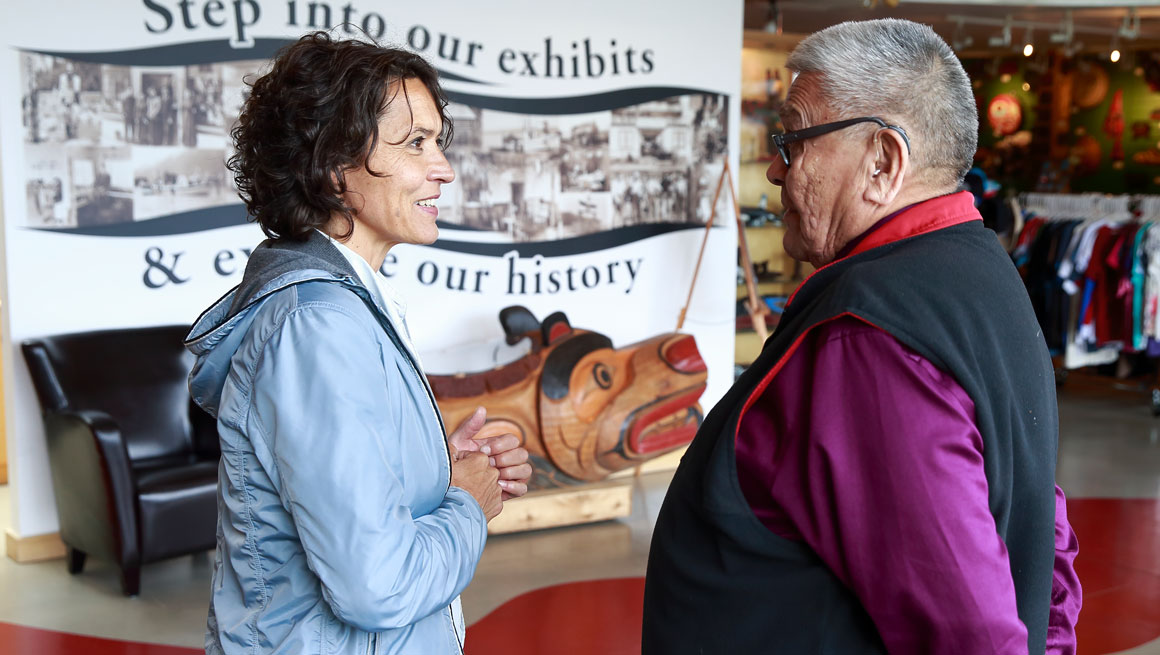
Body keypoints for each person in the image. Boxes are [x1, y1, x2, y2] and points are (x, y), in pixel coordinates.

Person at [643, 19, 1081, 655]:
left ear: (883, 161)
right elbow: (1049, 531)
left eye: (791, 141)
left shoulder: (869, 338)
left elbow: (969, 633)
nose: (772, 169)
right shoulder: (983, 273)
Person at [185, 32, 531, 655]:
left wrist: (432, 469)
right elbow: (379, 588)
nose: (443, 168)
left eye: (438, 142)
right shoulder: (315, 327)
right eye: (416, 143)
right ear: (333, 165)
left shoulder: (340, 305)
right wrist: (468, 504)